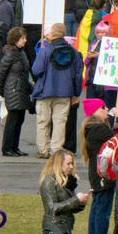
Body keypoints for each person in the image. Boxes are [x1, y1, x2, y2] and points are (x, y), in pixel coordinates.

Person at [31, 22, 82, 158]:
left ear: (52, 34)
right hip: (65, 92)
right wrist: (76, 94)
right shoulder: (74, 52)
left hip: (45, 91)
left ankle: (43, 149)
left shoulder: (46, 50)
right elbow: (77, 75)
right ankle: (56, 149)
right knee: (60, 122)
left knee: (43, 121)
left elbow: (36, 70)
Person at [83, 98, 117, 234]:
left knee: (97, 208)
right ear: (95, 111)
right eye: (103, 107)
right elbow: (117, 140)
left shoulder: (92, 128)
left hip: (96, 173)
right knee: (102, 211)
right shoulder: (99, 130)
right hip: (102, 173)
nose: (107, 109)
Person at [0, 26, 32, 156]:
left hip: (21, 89)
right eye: (22, 38)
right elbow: (1, 73)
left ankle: (14, 146)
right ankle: (7, 148)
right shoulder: (10, 54)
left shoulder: (21, 53)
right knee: (12, 120)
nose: (25, 40)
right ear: (15, 39)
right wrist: (0, 90)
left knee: (19, 120)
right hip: (13, 89)